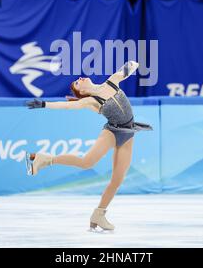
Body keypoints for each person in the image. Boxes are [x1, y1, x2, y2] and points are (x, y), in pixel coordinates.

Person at [25, 60, 153, 231]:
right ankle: (45, 159)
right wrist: (44, 104)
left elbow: (126, 70)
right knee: (87, 162)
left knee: (117, 180)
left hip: (129, 133)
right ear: (82, 91)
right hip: (112, 132)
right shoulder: (91, 101)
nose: (80, 78)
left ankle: (98, 214)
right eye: (78, 83)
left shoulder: (112, 81)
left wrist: (135, 62)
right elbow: (68, 106)